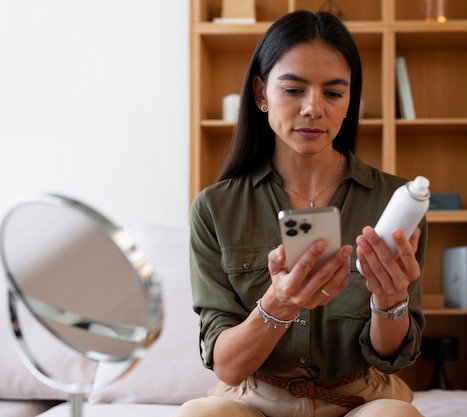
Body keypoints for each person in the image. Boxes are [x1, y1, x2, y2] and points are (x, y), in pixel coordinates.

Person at [172, 9, 427, 417]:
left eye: (333, 92)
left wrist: (390, 301)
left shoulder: (393, 201)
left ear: (350, 101)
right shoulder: (215, 207)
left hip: (357, 396)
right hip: (255, 396)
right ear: (260, 93)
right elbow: (228, 366)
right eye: (293, 90)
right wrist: (280, 303)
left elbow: (391, 357)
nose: (313, 109)